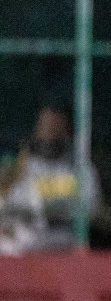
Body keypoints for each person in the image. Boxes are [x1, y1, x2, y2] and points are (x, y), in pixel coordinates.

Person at [14, 106, 100, 251]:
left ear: (66, 132)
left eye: (55, 128)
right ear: (37, 130)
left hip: (66, 238)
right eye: (46, 127)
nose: (50, 134)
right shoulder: (24, 166)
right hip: (26, 239)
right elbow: (13, 203)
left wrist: (57, 210)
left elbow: (92, 206)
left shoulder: (80, 168)